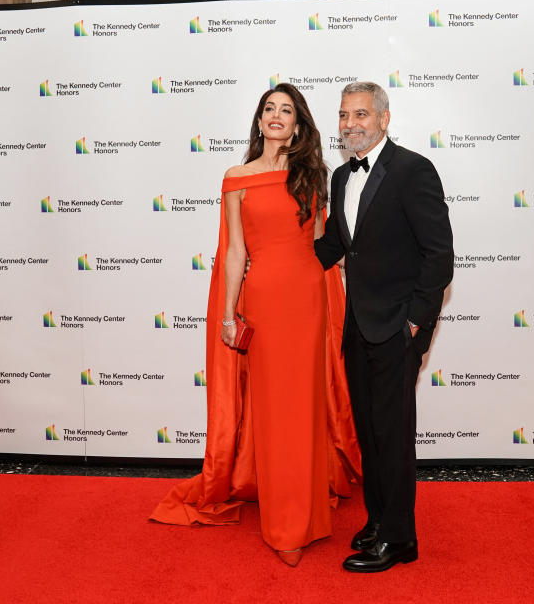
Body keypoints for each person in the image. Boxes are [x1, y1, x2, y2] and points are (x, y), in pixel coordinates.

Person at [150, 84, 361, 567]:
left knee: (304, 409)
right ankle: (285, 524)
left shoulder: (312, 175)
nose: (276, 116)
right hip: (263, 300)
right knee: (273, 411)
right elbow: (235, 252)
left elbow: (326, 244)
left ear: (299, 124)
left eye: (287, 110)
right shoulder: (236, 176)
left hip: (306, 297)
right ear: (259, 119)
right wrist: (228, 314)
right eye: (270, 109)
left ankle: (309, 518)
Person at [314, 81, 454, 573]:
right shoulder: (340, 177)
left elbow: (439, 254)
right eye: (344, 116)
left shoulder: (413, 169)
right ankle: (378, 521)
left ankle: (400, 540)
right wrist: (271, 260)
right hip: (358, 326)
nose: (351, 124)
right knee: (370, 433)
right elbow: (334, 245)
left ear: (384, 118)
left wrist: (417, 321)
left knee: (394, 435)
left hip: (397, 326)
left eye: (361, 115)